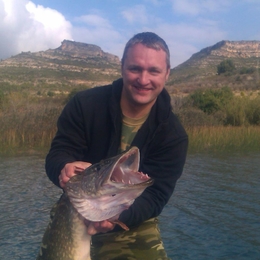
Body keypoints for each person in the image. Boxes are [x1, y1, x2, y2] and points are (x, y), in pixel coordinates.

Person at [45, 32, 188, 259]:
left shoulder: (173, 136)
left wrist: (115, 218)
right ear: (122, 67)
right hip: (74, 209)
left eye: (153, 71)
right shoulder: (84, 105)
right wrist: (63, 166)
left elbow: (156, 196)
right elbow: (59, 152)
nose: (143, 79)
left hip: (131, 219)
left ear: (167, 73)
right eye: (135, 68)